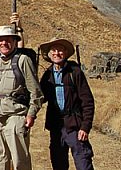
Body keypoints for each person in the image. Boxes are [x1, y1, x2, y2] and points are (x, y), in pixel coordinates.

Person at [0, 24, 43, 170]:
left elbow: (36, 92)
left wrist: (31, 115)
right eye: (0, 40)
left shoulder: (23, 60)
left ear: (15, 42)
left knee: (19, 160)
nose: (4, 43)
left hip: (16, 116)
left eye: (8, 40)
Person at [39, 38, 95, 170]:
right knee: (58, 163)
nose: (56, 53)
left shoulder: (75, 72)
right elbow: (40, 98)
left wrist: (85, 127)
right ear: (49, 54)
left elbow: (88, 102)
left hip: (75, 126)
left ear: (65, 52)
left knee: (83, 163)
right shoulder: (47, 75)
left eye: (60, 50)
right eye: (53, 50)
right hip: (56, 127)